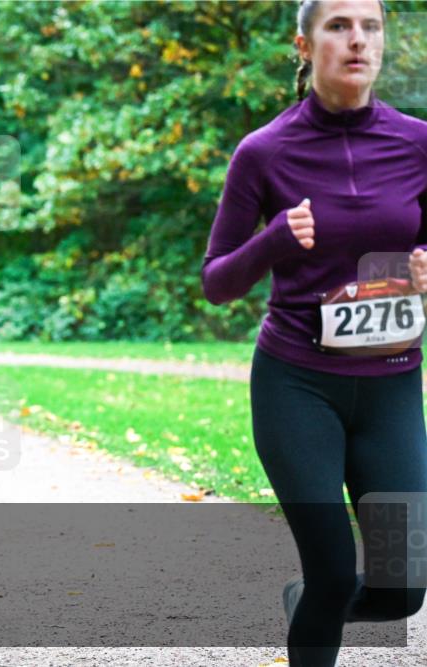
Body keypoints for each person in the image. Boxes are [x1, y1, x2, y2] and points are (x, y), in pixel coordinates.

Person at [201, 1, 427, 665]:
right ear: (304, 45)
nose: (357, 40)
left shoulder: (418, 143)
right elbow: (217, 281)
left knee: (404, 586)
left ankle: (307, 600)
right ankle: (318, 595)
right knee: (332, 571)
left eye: (370, 26)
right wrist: (274, 239)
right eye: (338, 26)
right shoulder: (264, 151)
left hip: (391, 387)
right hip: (297, 386)